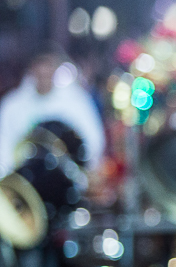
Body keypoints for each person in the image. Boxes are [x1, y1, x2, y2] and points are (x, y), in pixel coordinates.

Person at [0, 47, 105, 175]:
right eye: (40, 66)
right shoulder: (12, 105)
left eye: (48, 66)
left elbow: (92, 141)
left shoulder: (76, 101)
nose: (44, 72)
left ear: (56, 68)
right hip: (24, 182)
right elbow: (4, 147)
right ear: (31, 69)